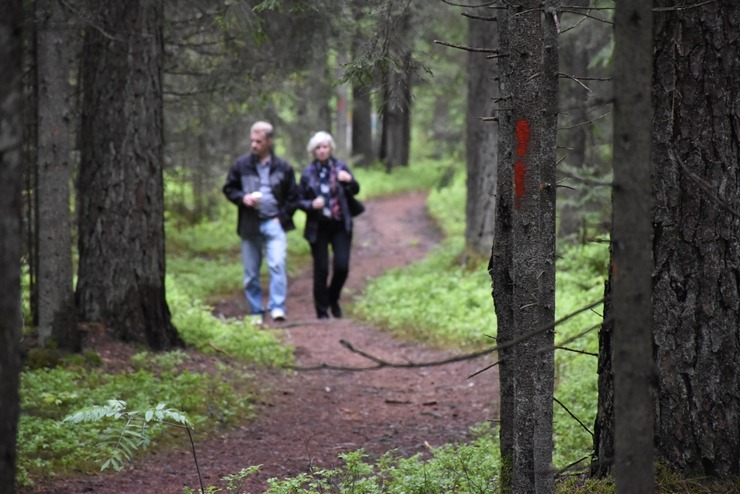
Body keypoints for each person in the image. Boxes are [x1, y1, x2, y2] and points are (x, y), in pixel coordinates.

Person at [223, 121, 298, 323]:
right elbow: (229, 189)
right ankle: (256, 310)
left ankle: (277, 307)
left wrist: (281, 218)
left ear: (269, 142)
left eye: (259, 141)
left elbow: (293, 197)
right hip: (249, 224)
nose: (254, 145)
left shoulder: (283, 167)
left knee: (277, 264)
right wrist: (242, 198)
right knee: (250, 272)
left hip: (274, 223)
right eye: (252, 141)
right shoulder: (241, 165)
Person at [298, 131, 362, 319]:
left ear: (330, 148)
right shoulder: (307, 174)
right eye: (318, 147)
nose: (322, 151)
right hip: (318, 227)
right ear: (313, 151)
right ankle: (322, 310)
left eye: (325, 147)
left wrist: (349, 180)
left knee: (342, 267)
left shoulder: (341, 168)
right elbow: (297, 200)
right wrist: (311, 205)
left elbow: (356, 189)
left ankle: (333, 298)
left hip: (340, 225)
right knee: (321, 269)